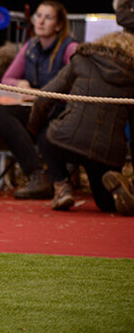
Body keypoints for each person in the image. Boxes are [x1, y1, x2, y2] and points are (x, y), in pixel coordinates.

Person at [0, 1, 78, 198]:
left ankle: (37, 176)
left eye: (48, 17)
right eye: (38, 16)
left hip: (58, 111)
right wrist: (20, 84)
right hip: (32, 109)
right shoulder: (31, 46)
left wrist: (40, 93)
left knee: (1, 114)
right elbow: (7, 79)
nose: (40, 21)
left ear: (59, 25)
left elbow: (78, 84)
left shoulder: (70, 48)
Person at [28, 31, 134, 214]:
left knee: (46, 135)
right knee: (105, 203)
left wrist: (33, 130)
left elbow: (44, 99)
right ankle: (122, 190)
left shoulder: (82, 60)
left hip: (67, 139)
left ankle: (62, 186)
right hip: (108, 152)